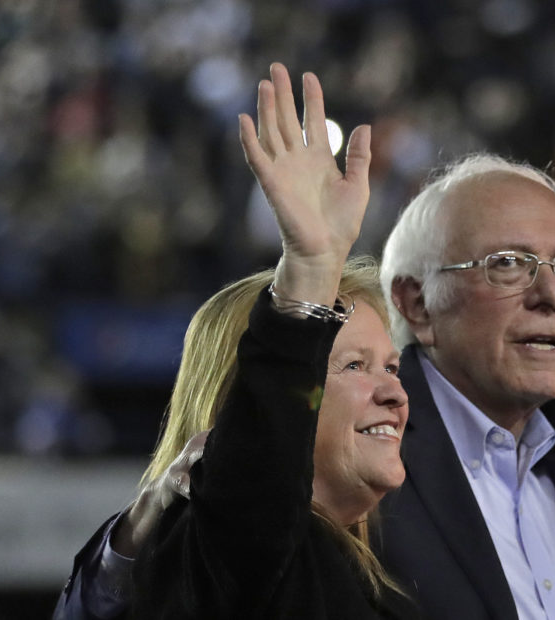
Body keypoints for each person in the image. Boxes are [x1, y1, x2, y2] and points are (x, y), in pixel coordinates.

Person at [55, 1, 555, 618]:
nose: (553, 293)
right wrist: (306, 271)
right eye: (508, 264)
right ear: (419, 305)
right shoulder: (356, 464)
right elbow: (230, 531)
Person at [55, 64, 419, 619]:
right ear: (243, 404)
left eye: (390, 368)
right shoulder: (246, 553)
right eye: (352, 366)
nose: (394, 394)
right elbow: (256, 473)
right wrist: (311, 269)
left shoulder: (377, 581)